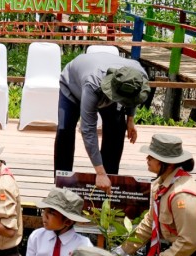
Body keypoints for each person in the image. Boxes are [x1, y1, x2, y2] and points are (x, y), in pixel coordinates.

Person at [54, 53, 150, 193]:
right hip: (72, 87)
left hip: (112, 88)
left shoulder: (139, 74)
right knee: (65, 130)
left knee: (117, 128)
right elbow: (88, 129)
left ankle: (108, 181)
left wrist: (130, 119)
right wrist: (99, 172)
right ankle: (60, 185)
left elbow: (133, 96)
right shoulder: (92, 83)